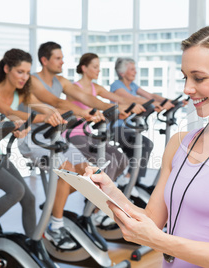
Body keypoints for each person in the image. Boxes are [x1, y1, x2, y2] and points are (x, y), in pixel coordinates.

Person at [85, 25, 209, 267]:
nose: (187, 89)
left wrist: (160, 241)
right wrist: (111, 192)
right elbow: (151, 221)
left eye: (199, 78)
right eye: (185, 77)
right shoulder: (180, 143)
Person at [0, 47, 85, 251]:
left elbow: (42, 106)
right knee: (17, 190)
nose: (25, 77)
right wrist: (43, 118)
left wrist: (62, 114)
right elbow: (7, 112)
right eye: (20, 72)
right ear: (6, 69)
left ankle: (34, 243)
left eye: (27, 72)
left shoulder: (20, 94)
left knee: (29, 198)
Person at [28, 42, 134, 230]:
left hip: (55, 136)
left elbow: (87, 98)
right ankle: (56, 225)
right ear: (44, 61)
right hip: (35, 137)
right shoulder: (33, 80)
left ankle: (58, 205)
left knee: (86, 173)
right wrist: (84, 113)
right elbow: (56, 101)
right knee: (68, 171)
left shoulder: (60, 81)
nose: (62, 62)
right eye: (58, 58)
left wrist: (113, 109)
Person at [68, 52, 146, 226]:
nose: (98, 70)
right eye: (95, 67)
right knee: (109, 162)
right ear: (84, 68)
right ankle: (95, 210)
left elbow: (117, 99)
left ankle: (98, 196)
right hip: (74, 134)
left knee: (122, 159)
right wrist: (117, 108)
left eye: (99, 66)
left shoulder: (97, 87)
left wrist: (132, 107)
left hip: (89, 133)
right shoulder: (74, 88)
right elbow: (97, 104)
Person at [110, 57, 177, 189]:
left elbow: (151, 96)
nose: (135, 72)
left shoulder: (133, 86)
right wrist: (155, 104)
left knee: (142, 146)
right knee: (145, 144)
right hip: (117, 128)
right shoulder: (116, 85)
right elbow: (131, 99)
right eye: (132, 69)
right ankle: (129, 179)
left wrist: (170, 102)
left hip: (130, 128)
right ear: (122, 72)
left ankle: (133, 181)